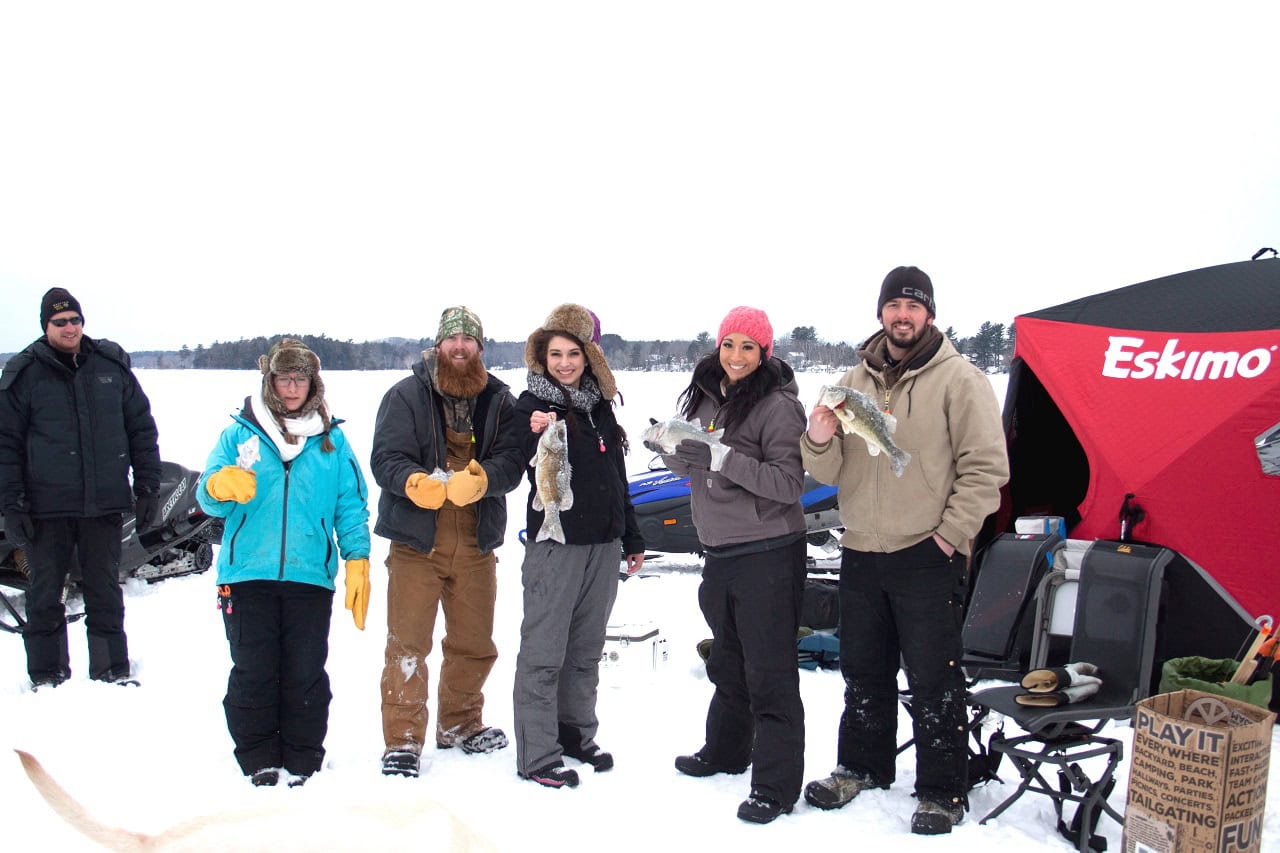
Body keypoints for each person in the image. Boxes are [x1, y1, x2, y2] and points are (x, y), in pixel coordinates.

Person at [800, 266, 1009, 834]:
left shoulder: (961, 379)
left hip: (927, 552)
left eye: (913, 306)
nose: (902, 316)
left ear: (930, 315)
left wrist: (949, 536)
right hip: (861, 548)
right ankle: (861, 766)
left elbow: (987, 469)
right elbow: (828, 470)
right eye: (894, 305)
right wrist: (817, 437)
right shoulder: (851, 381)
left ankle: (942, 790)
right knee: (863, 671)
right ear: (881, 313)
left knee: (934, 678)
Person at [196, 339, 370, 787]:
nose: (292, 388)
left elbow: (350, 505)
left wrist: (357, 559)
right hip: (246, 575)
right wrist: (219, 486)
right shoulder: (240, 433)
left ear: (314, 383)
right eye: (283, 378)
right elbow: (206, 498)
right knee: (254, 670)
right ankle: (258, 758)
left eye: (300, 379)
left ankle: (303, 758)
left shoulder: (332, 440)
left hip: (310, 577)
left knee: (304, 673)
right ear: (269, 380)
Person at [658, 306, 808, 825]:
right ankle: (725, 751)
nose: (736, 356)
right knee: (728, 661)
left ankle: (775, 786)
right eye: (729, 344)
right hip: (719, 548)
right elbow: (693, 466)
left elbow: (788, 484)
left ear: (765, 352)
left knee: (769, 673)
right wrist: (672, 448)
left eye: (748, 346)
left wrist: (722, 459)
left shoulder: (779, 406)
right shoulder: (706, 395)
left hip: (769, 551)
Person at [370, 306, 527, 778]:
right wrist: (412, 481)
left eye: (468, 340)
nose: (460, 347)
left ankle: (460, 723)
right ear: (438, 345)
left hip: (477, 538)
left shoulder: (500, 400)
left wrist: (484, 480)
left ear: (480, 347)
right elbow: (385, 457)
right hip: (417, 540)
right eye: (452, 339)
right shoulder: (405, 395)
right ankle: (402, 740)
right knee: (407, 644)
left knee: (473, 641)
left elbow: (512, 460)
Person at [509, 303, 644, 789]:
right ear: (542, 358)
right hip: (556, 545)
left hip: (603, 546)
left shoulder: (599, 406)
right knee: (544, 652)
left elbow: (616, 476)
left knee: (585, 651)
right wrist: (528, 435)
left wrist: (632, 535)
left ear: (588, 357)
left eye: (573, 354)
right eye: (555, 355)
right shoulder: (529, 406)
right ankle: (538, 753)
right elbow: (512, 460)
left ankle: (575, 734)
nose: (564, 363)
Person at [0, 287, 161, 689]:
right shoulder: (24, 374)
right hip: (45, 508)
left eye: (75, 320)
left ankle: (111, 671)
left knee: (105, 592)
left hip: (103, 504)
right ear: (46, 326)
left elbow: (141, 429)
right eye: (60, 322)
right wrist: (12, 505)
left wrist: (147, 487)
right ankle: (47, 676)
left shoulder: (110, 366)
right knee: (44, 595)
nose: (69, 327)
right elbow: (6, 445)